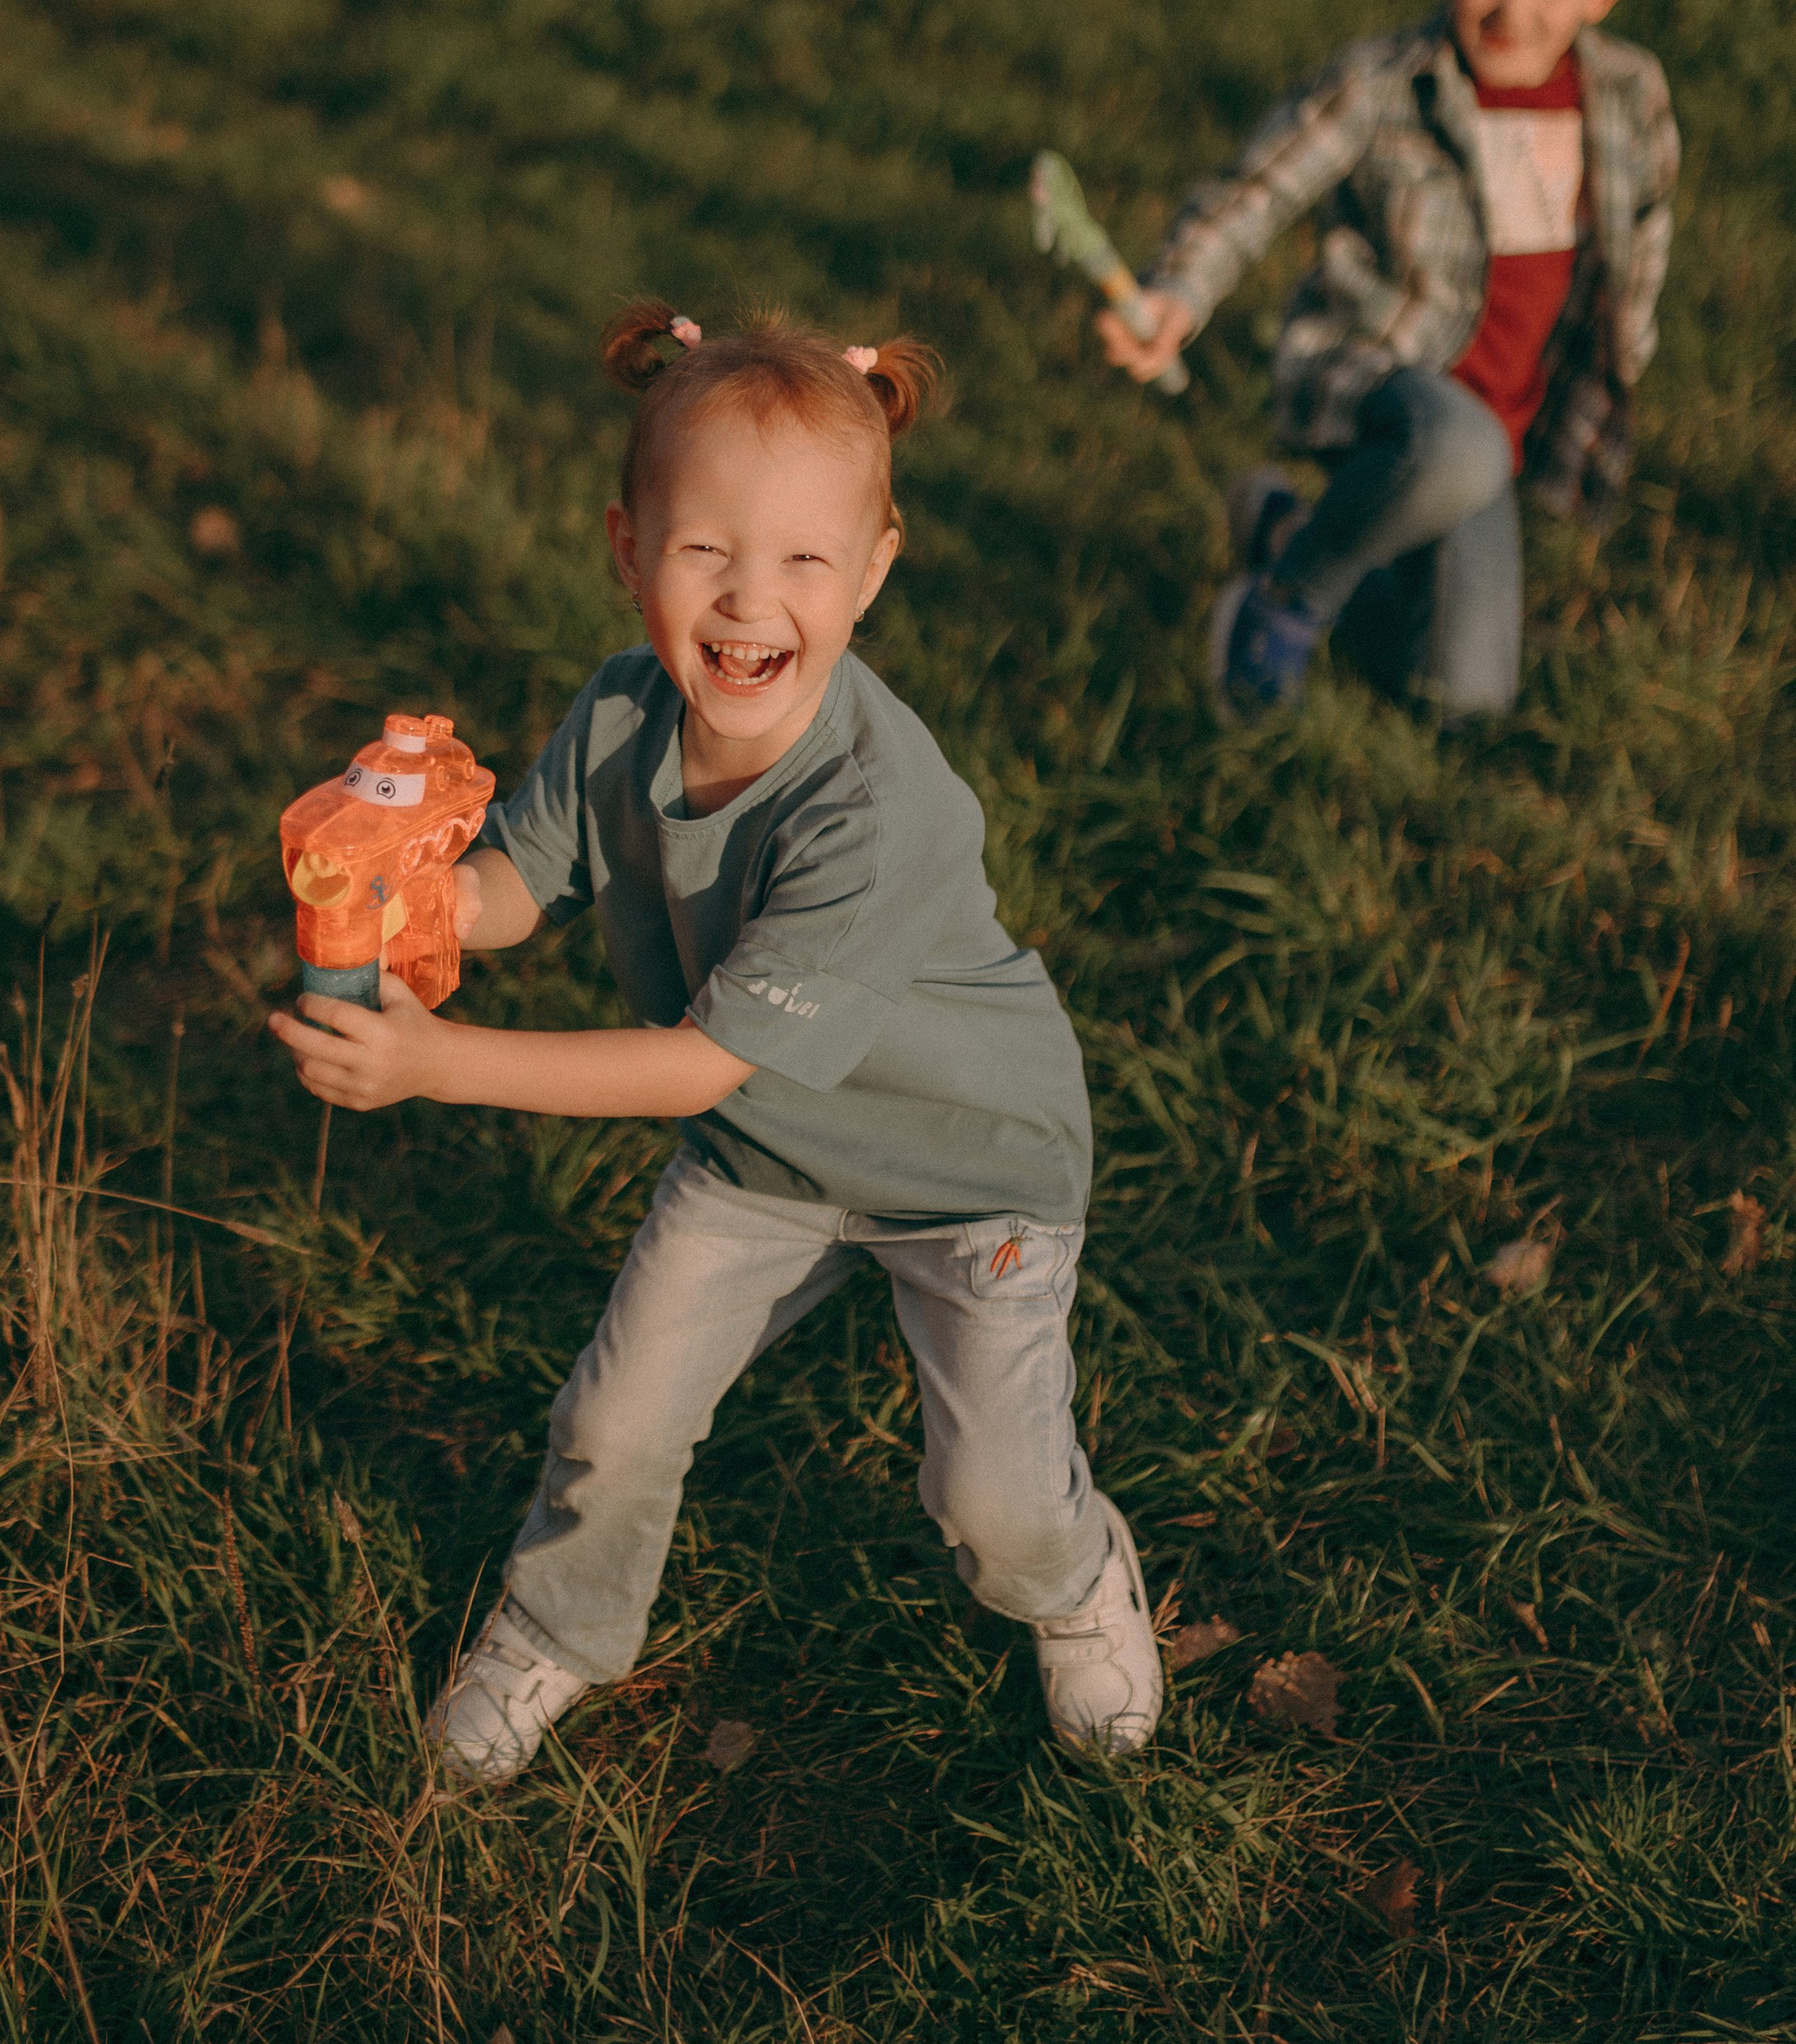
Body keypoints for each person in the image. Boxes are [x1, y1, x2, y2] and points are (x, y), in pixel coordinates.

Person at [268, 304, 1161, 1787]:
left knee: (990, 1496)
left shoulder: (872, 809)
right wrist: (399, 872)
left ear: (874, 567)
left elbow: (696, 1065)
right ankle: (560, 1621)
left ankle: (1073, 1581)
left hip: (965, 1167)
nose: (753, 600)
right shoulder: (622, 711)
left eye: (806, 557)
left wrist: (439, 1061)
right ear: (629, 548)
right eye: (705, 551)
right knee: (614, 1420)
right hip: (767, 1162)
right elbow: (513, 883)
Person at [1100, 0, 1679, 719]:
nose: (1515, 6)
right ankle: (1286, 598)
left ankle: (1290, 529)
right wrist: (1177, 292)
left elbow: (1644, 235)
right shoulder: (1382, 83)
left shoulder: (1629, 93)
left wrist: (1616, 367)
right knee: (1458, 443)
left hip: (1504, 431)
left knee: (1463, 698)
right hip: (1390, 387)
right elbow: (1257, 189)